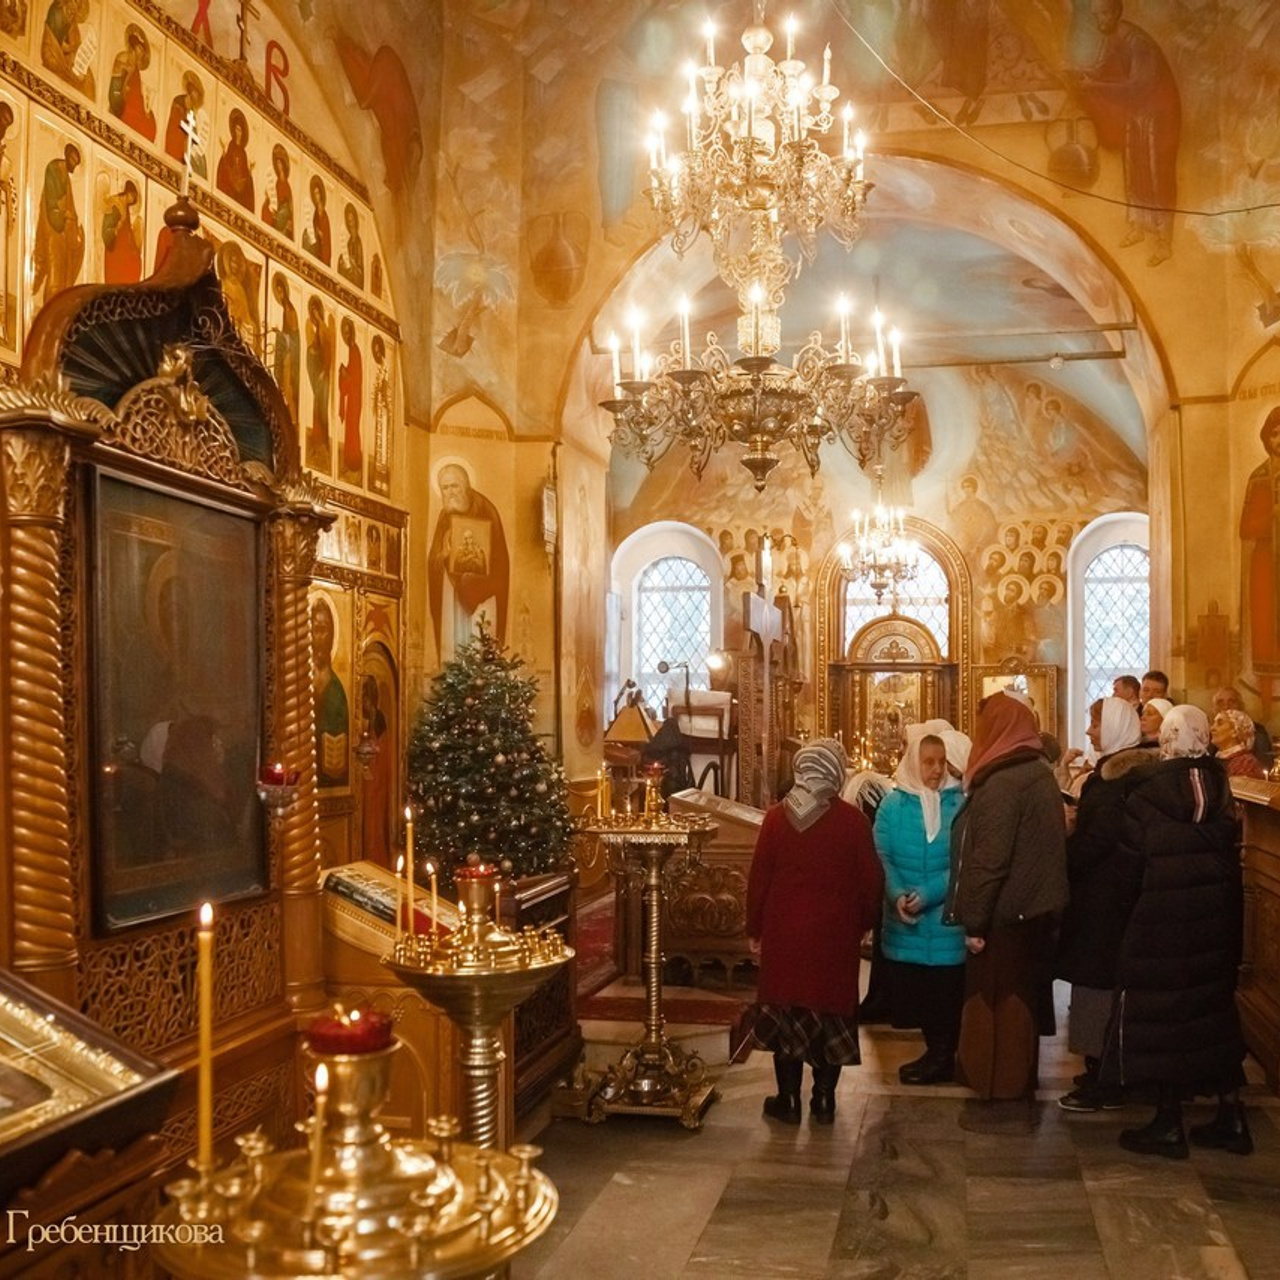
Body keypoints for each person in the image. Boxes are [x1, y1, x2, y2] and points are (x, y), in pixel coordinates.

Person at [1100, 705, 1252, 1158]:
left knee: (1164, 1017)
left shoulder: (1147, 794)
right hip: (1214, 922)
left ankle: (1169, 1122)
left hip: (1158, 924)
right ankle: (1232, 1116)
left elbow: (1128, 869)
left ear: (1166, 741)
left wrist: (1123, 922)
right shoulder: (1221, 787)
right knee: (1212, 1015)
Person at [945, 692, 1068, 1127]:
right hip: (1027, 913)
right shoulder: (1034, 771)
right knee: (1018, 999)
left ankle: (999, 1086)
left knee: (997, 1003)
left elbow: (990, 861)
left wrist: (975, 922)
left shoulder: (1003, 781)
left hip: (1003, 918)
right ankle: (1012, 1083)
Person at [745, 740, 884, 1125]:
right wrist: (865, 924)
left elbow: (759, 879)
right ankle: (824, 1100)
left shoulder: (775, 818)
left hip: (784, 935)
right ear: (836, 773)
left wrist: (754, 927)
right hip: (835, 939)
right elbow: (872, 881)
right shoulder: (853, 821)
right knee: (829, 1015)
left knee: (787, 1013)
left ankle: (787, 1099)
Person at [1055, 696, 1156, 1111]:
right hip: (1107, 901)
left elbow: (1100, 843)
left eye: (1095, 724)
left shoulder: (1117, 783)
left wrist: (1069, 841)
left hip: (1105, 905)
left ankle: (1105, 1078)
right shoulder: (1118, 778)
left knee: (1100, 988)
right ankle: (1101, 1067)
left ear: (1113, 728)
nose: (1090, 732)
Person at [873, 725, 968, 1085]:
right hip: (906, 923)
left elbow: (962, 860)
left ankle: (943, 1057)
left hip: (946, 921)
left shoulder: (959, 803)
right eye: (928, 762)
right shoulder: (893, 804)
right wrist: (897, 894)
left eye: (941, 762)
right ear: (913, 763)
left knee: (946, 995)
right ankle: (935, 1053)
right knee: (921, 996)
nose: (936, 770)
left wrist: (928, 894)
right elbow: (882, 856)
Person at [427, 464, 510, 656]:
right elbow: (434, 561)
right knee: (455, 641)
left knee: (479, 640)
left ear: (466, 486)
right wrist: (444, 555)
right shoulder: (444, 516)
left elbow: (499, 562)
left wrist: (476, 570)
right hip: (453, 594)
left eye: (454, 486)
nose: (450, 493)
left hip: (484, 596)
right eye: (445, 488)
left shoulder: (486, 510)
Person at [30, 143, 84, 307]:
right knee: (55, 271)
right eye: (73, 159)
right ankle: (49, 309)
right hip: (54, 230)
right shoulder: (55, 168)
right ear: (67, 155)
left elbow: (69, 206)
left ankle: (58, 310)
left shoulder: (66, 177)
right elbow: (52, 202)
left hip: (63, 232)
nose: (74, 163)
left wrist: (72, 222)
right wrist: (63, 217)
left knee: (64, 274)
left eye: (77, 161)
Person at [108, 24, 157, 141]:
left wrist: (146, 107)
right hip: (125, 105)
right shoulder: (124, 57)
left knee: (151, 123)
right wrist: (123, 92)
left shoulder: (136, 67)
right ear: (133, 47)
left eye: (142, 51)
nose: (141, 53)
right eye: (140, 49)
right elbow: (115, 88)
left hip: (135, 104)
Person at [1211, 686, 1274, 768]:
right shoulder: (1213, 734)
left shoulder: (1257, 731)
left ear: (1240, 705)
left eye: (1231, 701)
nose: (1226, 706)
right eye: (1220, 702)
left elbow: (1264, 764)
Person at [1211, 708, 1267, 779]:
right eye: (1214, 723)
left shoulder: (1246, 763)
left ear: (1235, 731)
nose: (1212, 728)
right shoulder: (1214, 759)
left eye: (1220, 723)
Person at [217, 108, 254, 211]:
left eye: (240, 130)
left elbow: (245, 172)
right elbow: (226, 163)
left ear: (243, 133)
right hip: (230, 181)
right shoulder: (231, 146)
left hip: (240, 187)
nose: (238, 132)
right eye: (236, 129)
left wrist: (248, 173)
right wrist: (224, 156)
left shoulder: (243, 152)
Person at [261, 143, 294, 237]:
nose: (278, 166)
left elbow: (287, 207)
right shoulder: (277, 183)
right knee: (265, 209)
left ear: (283, 165)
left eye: (280, 163)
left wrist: (279, 212)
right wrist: (268, 198)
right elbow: (274, 199)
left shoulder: (287, 186)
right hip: (277, 212)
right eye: (277, 163)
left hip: (283, 214)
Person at [302, 175, 331, 265]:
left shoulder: (325, 215)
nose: (316, 196)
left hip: (322, 249)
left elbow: (326, 239)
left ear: (321, 194)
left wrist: (320, 235)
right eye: (314, 194)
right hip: (316, 242)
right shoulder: (315, 212)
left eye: (317, 193)